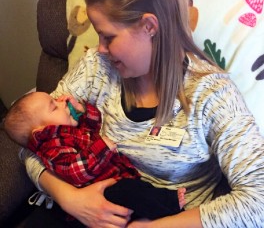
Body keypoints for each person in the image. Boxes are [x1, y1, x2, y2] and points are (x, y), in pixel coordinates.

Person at [20, 0, 264, 227]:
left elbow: (258, 200)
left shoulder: (211, 94)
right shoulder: (96, 69)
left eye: (108, 36)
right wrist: (71, 199)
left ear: (149, 26)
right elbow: (30, 137)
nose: (99, 49)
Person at [4, 91, 186, 222]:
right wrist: (101, 148)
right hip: (101, 192)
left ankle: (156, 209)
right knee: (132, 191)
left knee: (138, 190)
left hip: (117, 177)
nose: (60, 101)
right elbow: (76, 170)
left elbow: (93, 125)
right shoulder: (52, 147)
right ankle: (168, 204)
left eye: (55, 100)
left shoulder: (68, 131)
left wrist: (82, 109)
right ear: (41, 131)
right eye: (54, 107)